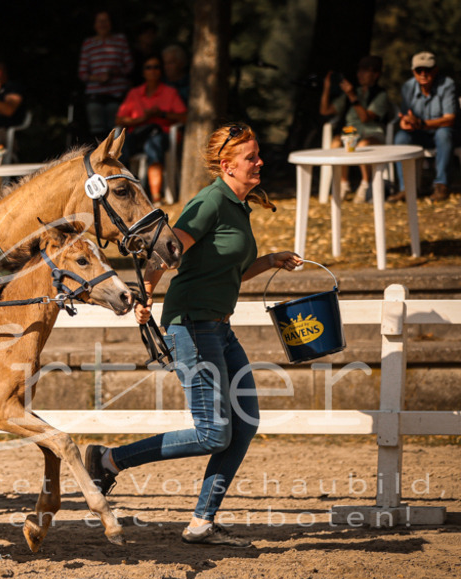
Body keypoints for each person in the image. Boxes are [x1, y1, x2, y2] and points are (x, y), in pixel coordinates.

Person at [85, 123, 302, 548]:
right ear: (228, 165)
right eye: (251, 157)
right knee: (212, 432)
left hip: (219, 326)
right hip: (192, 326)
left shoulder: (238, 206)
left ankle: (203, 521)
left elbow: (231, 270)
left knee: (243, 424)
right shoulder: (210, 201)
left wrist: (270, 260)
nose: (259, 162)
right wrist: (146, 294)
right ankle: (109, 460)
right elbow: (164, 252)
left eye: (257, 156)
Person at [115, 54, 187, 203]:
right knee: (120, 147)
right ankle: (121, 193)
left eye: (156, 67)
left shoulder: (170, 92)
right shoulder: (134, 93)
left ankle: (156, 198)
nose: (152, 71)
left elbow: (184, 118)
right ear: (143, 72)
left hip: (162, 136)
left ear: (160, 71)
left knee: (153, 146)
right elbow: (119, 120)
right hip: (137, 135)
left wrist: (160, 114)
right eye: (149, 67)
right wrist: (140, 120)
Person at [319, 55, 389, 204]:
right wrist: (327, 87)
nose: (360, 74)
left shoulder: (380, 95)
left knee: (364, 145)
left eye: (365, 71)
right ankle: (343, 184)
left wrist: (353, 97)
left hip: (372, 134)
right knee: (337, 143)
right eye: (360, 71)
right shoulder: (349, 94)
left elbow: (365, 118)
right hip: (351, 133)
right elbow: (325, 110)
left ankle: (365, 184)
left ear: (376, 74)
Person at [391, 51, 456, 203]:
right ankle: (406, 188)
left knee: (443, 134)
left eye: (427, 70)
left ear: (435, 70)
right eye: (419, 70)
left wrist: (422, 124)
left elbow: (449, 119)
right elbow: (405, 117)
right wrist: (406, 123)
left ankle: (441, 185)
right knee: (401, 137)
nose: (423, 74)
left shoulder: (447, 85)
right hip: (420, 134)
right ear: (413, 72)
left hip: (444, 134)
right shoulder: (408, 87)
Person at [77, 10, 134, 141]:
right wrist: (98, 78)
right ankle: (98, 156)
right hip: (95, 94)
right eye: (99, 21)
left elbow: (129, 66)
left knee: (115, 128)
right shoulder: (89, 44)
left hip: (117, 93)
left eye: (106, 20)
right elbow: (82, 73)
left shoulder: (120, 40)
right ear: (94, 25)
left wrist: (113, 73)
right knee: (97, 128)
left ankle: (113, 156)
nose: (103, 24)